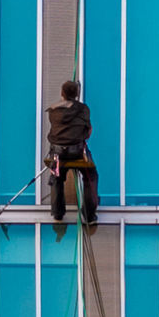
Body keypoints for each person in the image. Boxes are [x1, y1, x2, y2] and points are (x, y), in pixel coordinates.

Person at [46, 79, 99, 225]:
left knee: (57, 179)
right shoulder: (83, 109)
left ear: (62, 93)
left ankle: (57, 213)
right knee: (91, 177)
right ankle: (89, 214)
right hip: (78, 152)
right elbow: (88, 131)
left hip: (58, 153)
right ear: (77, 94)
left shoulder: (53, 110)